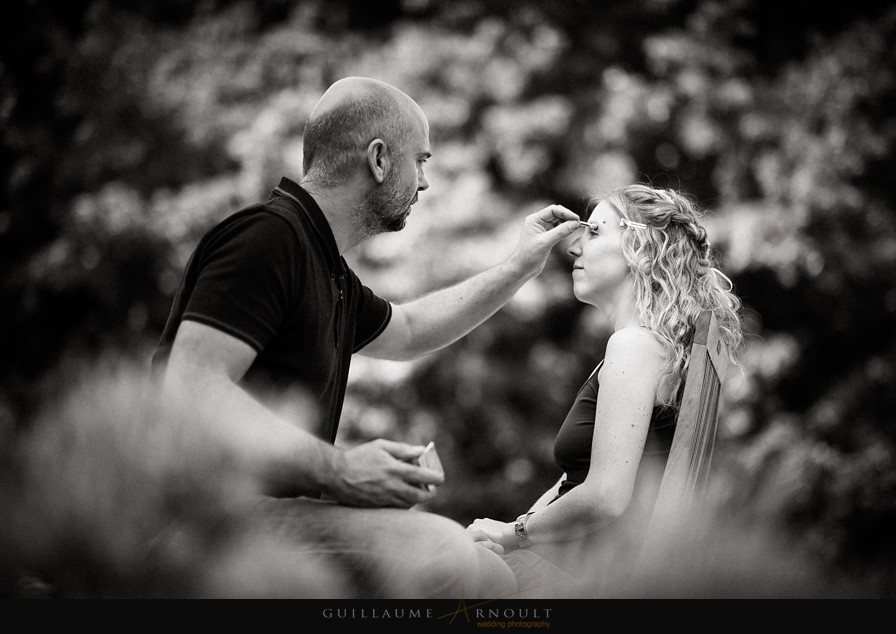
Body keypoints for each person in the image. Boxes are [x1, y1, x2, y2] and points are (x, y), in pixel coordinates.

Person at [150, 76, 583, 598]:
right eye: (420, 160)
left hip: (274, 519)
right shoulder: (266, 239)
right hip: (210, 528)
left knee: (498, 570)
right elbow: (191, 388)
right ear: (378, 159)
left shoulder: (325, 266)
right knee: (446, 553)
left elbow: (410, 330)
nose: (425, 183)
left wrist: (517, 268)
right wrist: (339, 470)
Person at [466, 184, 743, 597]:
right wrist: (510, 532)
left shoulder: (634, 347)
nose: (574, 247)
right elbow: (573, 482)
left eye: (594, 232)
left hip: (586, 580)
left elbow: (605, 497)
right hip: (575, 568)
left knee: (429, 564)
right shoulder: (647, 349)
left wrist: (516, 533)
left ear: (641, 250)